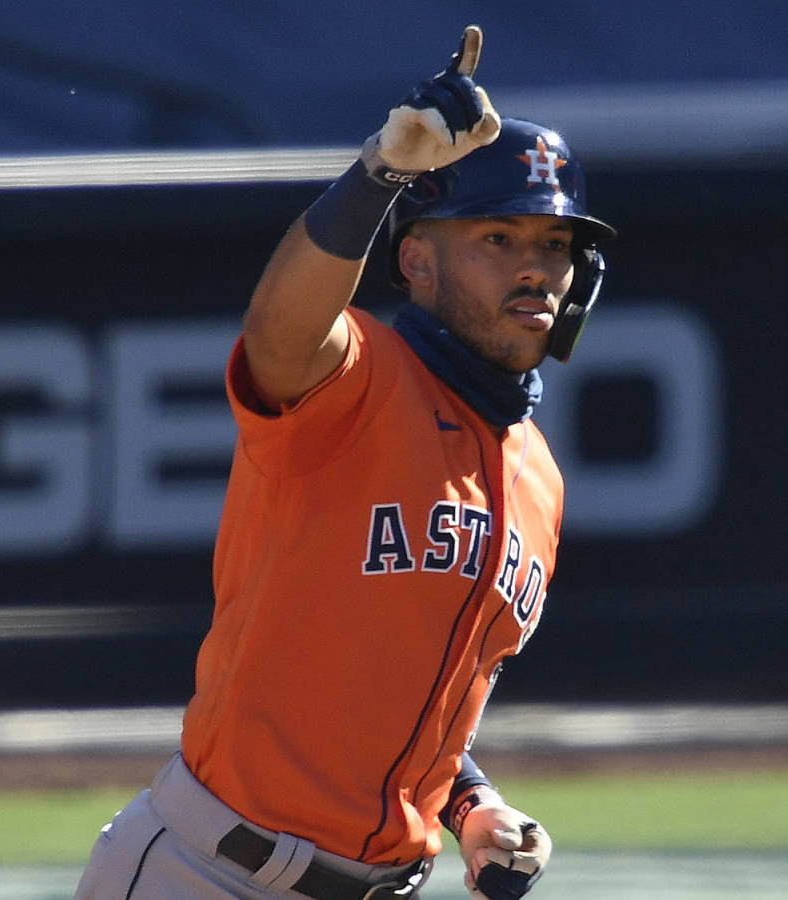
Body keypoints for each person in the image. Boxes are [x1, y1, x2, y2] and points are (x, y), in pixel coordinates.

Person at [73, 24, 614, 900]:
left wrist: (471, 804)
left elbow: (423, 687)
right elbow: (278, 335)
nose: (535, 271)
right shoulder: (354, 377)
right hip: (211, 872)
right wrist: (378, 178)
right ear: (417, 261)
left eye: (552, 245)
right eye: (497, 240)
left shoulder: (536, 475)